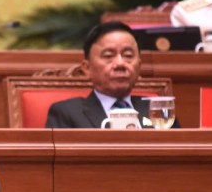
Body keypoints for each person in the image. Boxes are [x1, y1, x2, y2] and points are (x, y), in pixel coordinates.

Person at [46, 21, 180, 129]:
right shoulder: (67, 113)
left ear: (139, 66)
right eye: (108, 56)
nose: (120, 64)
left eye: (128, 55)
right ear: (87, 68)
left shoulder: (158, 110)